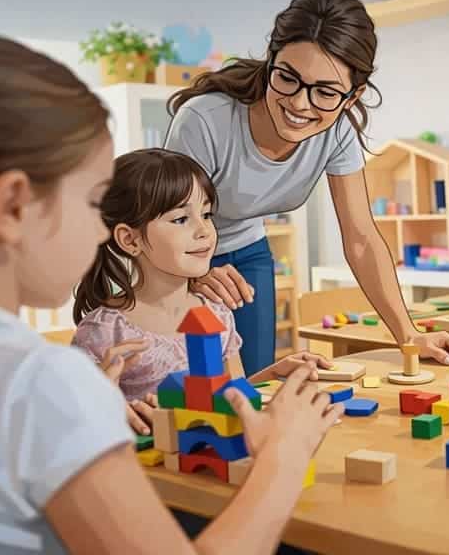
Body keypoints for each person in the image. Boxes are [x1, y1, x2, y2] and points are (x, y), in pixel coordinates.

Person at [0, 34, 342, 555]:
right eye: (90, 202)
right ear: (14, 206)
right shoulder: (38, 380)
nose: (100, 232)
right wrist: (285, 455)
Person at [164, 0, 449, 376]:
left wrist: (408, 336)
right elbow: (166, 221)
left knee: (256, 380)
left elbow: (361, 238)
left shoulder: (337, 134)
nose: (300, 104)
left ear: (352, 96)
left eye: (326, 92)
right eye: (287, 78)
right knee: (186, 380)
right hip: (171, 252)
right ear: (270, 63)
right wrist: (194, 272)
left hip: (246, 250)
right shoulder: (205, 120)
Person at [71, 148, 332, 434]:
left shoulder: (217, 313)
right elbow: (75, 430)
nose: (205, 230)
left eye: (207, 214)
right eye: (181, 219)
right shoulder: (103, 332)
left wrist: (275, 374)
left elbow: (229, 396)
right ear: (130, 239)